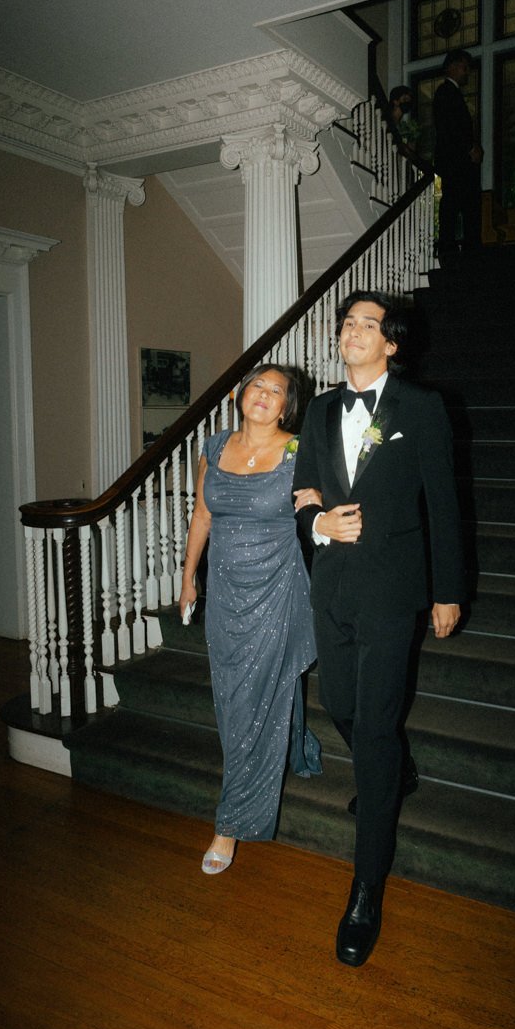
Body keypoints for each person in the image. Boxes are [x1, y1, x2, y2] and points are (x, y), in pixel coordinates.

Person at [292, 291, 465, 966]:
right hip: (331, 588)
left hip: (394, 592)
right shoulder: (320, 409)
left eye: (367, 324)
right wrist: (317, 524)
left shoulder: (421, 408)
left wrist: (447, 591)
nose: (352, 331)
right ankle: (394, 763)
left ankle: (365, 890)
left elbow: (445, 502)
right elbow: (305, 488)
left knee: (374, 726)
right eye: (347, 324)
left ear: (391, 343)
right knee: (339, 703)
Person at [179, 364, 321, 875]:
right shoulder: (215, 447)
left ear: (286, 406)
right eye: (257, 385)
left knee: (248, 704)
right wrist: (188, 575)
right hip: (225, 595)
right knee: (235, 693)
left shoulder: (300, 452)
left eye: (276, 391)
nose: (264, 395)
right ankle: (297, 746)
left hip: (277, 589)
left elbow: (316, 510)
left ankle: (230, 823)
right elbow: (202, 514)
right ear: (240, 395)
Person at [433, 48, 484, 266]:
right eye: (464, 67)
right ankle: (451, 245)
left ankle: (461, 245)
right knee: (456, 202)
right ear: (452, 66)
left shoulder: (450, 94)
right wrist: (469, 148)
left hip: (456, 162)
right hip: (456, 162)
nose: (467, 72)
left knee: (462, 203)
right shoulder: (446, 93)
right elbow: (451, 128)